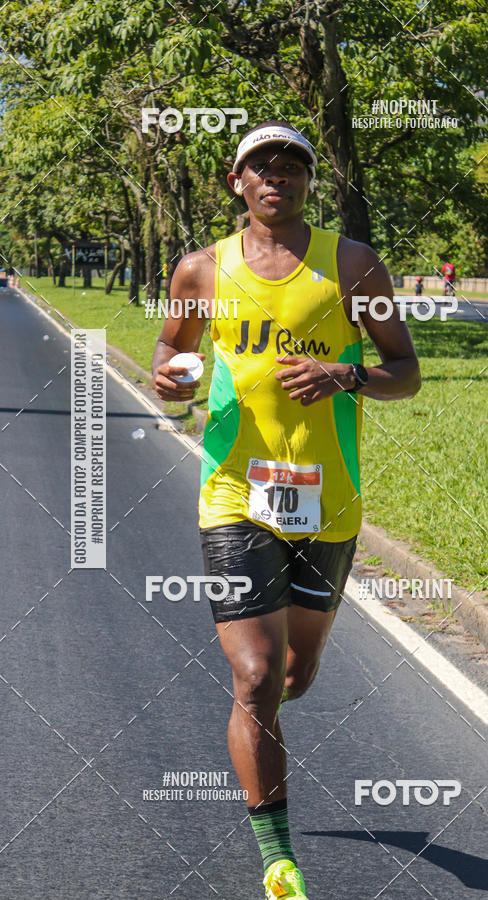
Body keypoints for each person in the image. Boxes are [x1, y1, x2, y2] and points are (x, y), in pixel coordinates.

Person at [151, 120, 421, 900]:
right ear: (237, 182)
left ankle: (273, 705)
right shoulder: (201, 270)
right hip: (234, 493)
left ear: (310, 180)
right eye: (261, 167)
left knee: (296, 676)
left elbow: (405, 371)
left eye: (293, 166)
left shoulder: (354, 265)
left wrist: (348, 373)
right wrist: (171, 380)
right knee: (256, 673)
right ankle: (280, 860)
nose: (279, 178)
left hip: (328, 499)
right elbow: (172, 356)